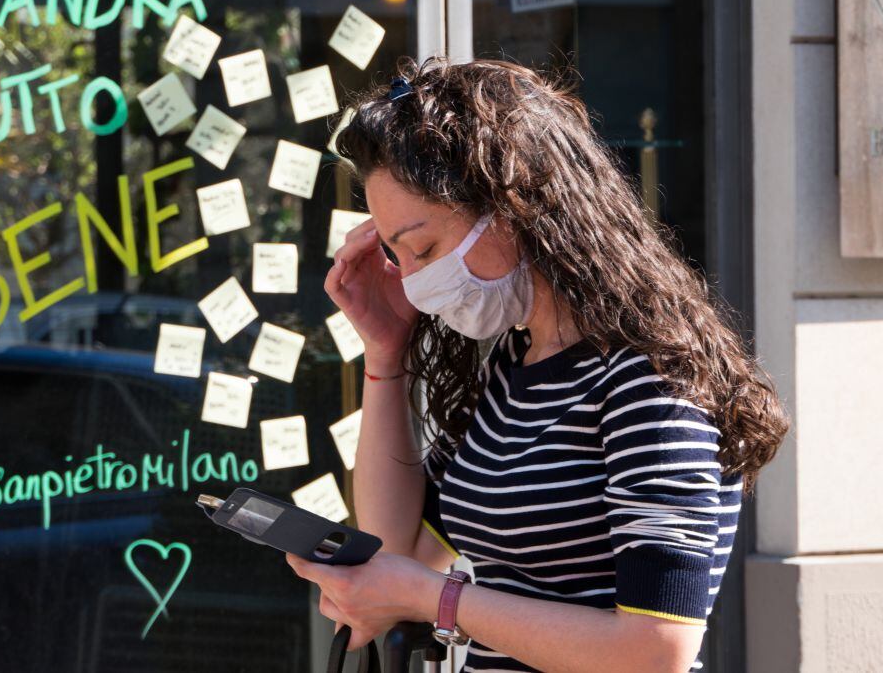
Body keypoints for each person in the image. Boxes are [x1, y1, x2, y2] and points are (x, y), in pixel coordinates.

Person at [284, 56, 790, 672]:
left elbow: (656, 650)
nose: (414, 284)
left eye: (424, 248)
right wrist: (385, 355)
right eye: (397, 256)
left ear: (517, 205)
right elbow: (403, 552)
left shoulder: (650, 382)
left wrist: (433, 599)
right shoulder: (511, 365)